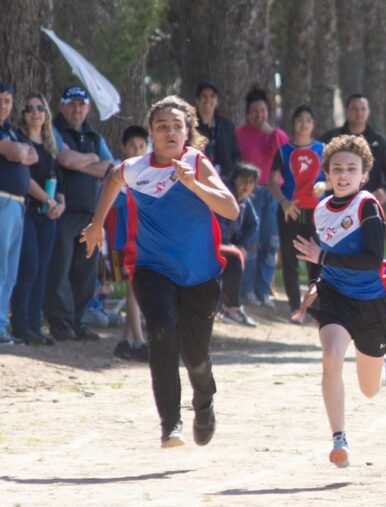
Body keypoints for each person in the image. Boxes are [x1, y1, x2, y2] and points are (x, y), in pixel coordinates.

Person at [80, 95, 240, 448]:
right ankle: (171, 423)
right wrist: (96, 224)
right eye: (162, 126)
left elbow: (231, 209)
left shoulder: (196, 163)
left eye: (177, 126)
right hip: (151, 268)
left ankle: (204, 404)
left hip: (200, 275)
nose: (170, 132)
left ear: (187, 132)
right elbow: (113, 179)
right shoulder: (137, 168)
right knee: (162, 332)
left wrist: (194, 185)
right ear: (151, 133)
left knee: (196, 358)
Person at [292, 135, 386, 468]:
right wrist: (314, 284)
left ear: (364, 175)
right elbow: (319, 258)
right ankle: (339, 438)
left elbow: (372, 259)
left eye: (352, 169)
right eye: (337, 168)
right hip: (335, 297)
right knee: (331, 356)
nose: (343, 175)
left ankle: (381, 367)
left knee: (369, 390)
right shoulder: (322, 210)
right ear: (327, 173)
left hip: (371, 302)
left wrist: (323, 258)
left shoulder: (368, 206)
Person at [46, 85, 115, 342]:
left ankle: (77, 321)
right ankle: (60, 323)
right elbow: (64, 160)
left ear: (88, 108)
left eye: (81, 104)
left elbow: (109, 168)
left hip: (90, 213)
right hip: (64, 211)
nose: (77, 109)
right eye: (72, 103)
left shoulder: (94, 136)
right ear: (62, 105)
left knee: (85, 273)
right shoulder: (54, 129)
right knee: (60, 270)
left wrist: (80, 161)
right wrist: (91, 159)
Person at [10, 91, 67, 346]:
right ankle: (20, 325)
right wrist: (48, 200)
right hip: (27, 212)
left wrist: (60, 204)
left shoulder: (51, 146)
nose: (35, 113)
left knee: (42, 270)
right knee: (29, 267)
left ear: (46, 114)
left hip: (49, 215)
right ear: (23, 114)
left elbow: (58, 182)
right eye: (30, 108)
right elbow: (26, 180)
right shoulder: (20, 141)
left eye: (40, 108)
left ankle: (35, 326)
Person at [268, 104, 325, 322]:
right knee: (290, 260)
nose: (304, 123)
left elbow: (333, 178)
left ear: (314, 125)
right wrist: (283, 202)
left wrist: (325, 186)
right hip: (291, 211)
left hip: (316, 213)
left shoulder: (323, 149)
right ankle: (295, 308)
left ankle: (315, 308)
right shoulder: (283, 151)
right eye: (300, 119)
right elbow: (272, 182)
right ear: (293, 123)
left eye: (308, 119)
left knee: (317, 260)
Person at [235, 88, 289, 308]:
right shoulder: (239, 134)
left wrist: (271, 132)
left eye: (263, 110)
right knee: (252, 241)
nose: (259, 115)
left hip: (273, 192)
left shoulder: (276, 134)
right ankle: (246, 290)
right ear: (248, 113)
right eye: (254, 111)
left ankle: (264, 290)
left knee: (270, 241)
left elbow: (286, 150)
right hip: (251, 192)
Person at [0, 83, 40, 345]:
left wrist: (19, 153)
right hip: (2, 202)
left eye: (7, 100)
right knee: (1, 267)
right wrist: (18, 152)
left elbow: (32, 154)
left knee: (10, 271)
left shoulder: (11, 131)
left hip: (17, 205)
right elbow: (18, 152)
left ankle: (1, 326)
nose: (3, 105)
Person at [107, 126, 149, 361]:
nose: (137, 150)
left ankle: (125, 341)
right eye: (132, 145)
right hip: (124, 239)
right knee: (134, 288)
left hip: (143, 239)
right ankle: (139, 341)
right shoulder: (119, 171)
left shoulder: (150, 172)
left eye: (141, 146)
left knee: (137, 288)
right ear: (124, 147)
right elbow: (112, 202)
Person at [319, 94, 386, 203]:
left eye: (363, 109)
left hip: (369, 201)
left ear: (368, 111)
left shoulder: (379, 141)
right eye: (354, 109)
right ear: (346, 110)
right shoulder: (331, 138)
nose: (359, 113)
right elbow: (317, 165)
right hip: (335, 202)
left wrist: (385, 190)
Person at [218, 163, 261, 327]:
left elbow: (253, 224)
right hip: (208, 244)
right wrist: (232, 247)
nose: (246, 185)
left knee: (239, 254)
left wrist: (241, 244)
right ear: (234, 179)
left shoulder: (245, 201)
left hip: (225, 245)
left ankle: (229, 307)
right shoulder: (224, 195)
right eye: (243, 180)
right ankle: (232, 308)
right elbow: (218, 225)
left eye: (251, 182)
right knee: (235, 257)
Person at [195, 81, 239, 183]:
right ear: (197, 100)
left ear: (217, 101)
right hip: (199, 180)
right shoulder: (191, 127)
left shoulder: (227, 126)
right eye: (204, 96)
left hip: (225, 180)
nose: (208, 100)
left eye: (212, 96)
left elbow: (235, 153)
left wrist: (232, 173)